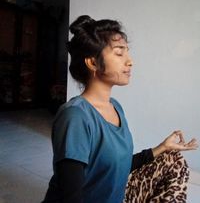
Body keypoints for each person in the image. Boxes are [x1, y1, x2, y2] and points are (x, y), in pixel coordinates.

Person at [41, 15, 198, 203]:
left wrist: (162, 147)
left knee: (174, 160)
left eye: (127, 52)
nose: (129, 61)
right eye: (119, 53)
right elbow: (71, 197)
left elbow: (115, 166)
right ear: (92, 62)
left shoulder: (115, 106)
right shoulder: (75, 117)